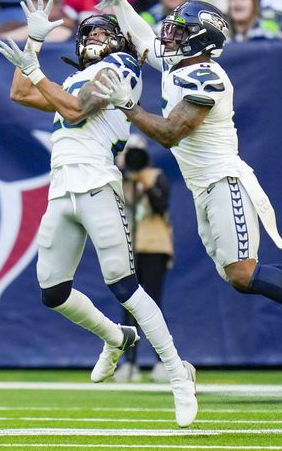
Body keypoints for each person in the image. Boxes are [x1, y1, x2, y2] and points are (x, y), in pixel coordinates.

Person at [85, 0, 282, 366]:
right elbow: (144, 37)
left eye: (180, 31)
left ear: (201, 41)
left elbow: (171, 132)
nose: (169, 36)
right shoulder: (181, 65)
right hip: (204, 187)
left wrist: (129, 105)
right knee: (239, 275)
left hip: (224, 180)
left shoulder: (208, 77)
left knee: (243, 273)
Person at [0, 0, 197, 427]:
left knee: (124, 285)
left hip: (97, 184)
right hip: (60, 188)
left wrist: (34, 69)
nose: (93, 38)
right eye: (89, 33)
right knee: (53, 292)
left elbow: (73, 109)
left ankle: (178, 375)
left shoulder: (122, 65)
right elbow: (19, 93)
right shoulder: (71, 77)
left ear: (119, 41)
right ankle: (115, 336)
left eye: (103, 32)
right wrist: (32, 40)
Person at [114, 134, 175, 383]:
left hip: (154, 247)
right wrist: (119, 171)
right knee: (128, 305)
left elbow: (161, 206)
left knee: (153, 305)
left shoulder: (156, 175)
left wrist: (143, 181)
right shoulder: (118, 179)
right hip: (128, 248)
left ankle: (163, 362)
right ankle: (129, 363)